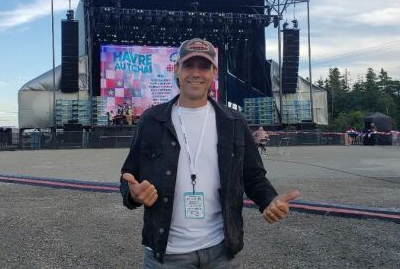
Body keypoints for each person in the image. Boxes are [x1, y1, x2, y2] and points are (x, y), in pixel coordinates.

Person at [120, 38, 300, 268]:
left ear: (214, 72)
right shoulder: (151, 120)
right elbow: (127, 177)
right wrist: (134, 195)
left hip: (221, 252)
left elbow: (253, 176)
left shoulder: (234, 122)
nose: (196, 73)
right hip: (166, 255)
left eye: (204, 66)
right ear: (176, 69)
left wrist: (269, 200)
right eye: (188, 65)